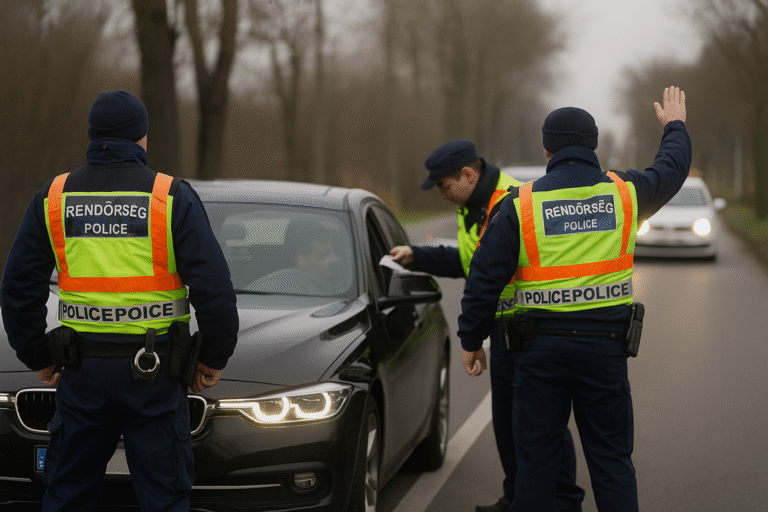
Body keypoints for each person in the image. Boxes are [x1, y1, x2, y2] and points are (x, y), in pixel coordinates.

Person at [0, 90, 239, 511]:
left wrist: (37, 354)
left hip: (81, 376)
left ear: (93, 136)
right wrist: (213, 357)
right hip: (156, 375)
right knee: (164, 499)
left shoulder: (54, 197)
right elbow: (214, 290)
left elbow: (18, 287)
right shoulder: (169, 196)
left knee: (67, 495)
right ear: (141, 137)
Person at [457, 86, 691, 512]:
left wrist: (472, 340)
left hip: (538, 356)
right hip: (605, 354)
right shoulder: (625, 194)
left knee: (536, 468)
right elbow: (671, 170)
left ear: (547, 149)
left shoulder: (520, 204)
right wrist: (674, 126)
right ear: (593, 145)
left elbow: (483, 279)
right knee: (612, 462)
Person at [390, 140, 584, 512]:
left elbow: (491, 272)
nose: (442, 195)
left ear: (468, 175)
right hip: (504, 327)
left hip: (528, 325)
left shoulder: (510, 199)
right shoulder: (472, 206)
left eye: (444, 185)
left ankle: (562, 500)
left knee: (541, 422)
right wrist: (418, 255)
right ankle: (516, 497)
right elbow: (471, 262)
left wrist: (471, 335)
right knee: (508, 421)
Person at [247, 217, 341, 295]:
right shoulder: (285, 288)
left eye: (336, 252)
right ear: (300, 261)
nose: (335, 259)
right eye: (323, 255)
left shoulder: (335, 282)